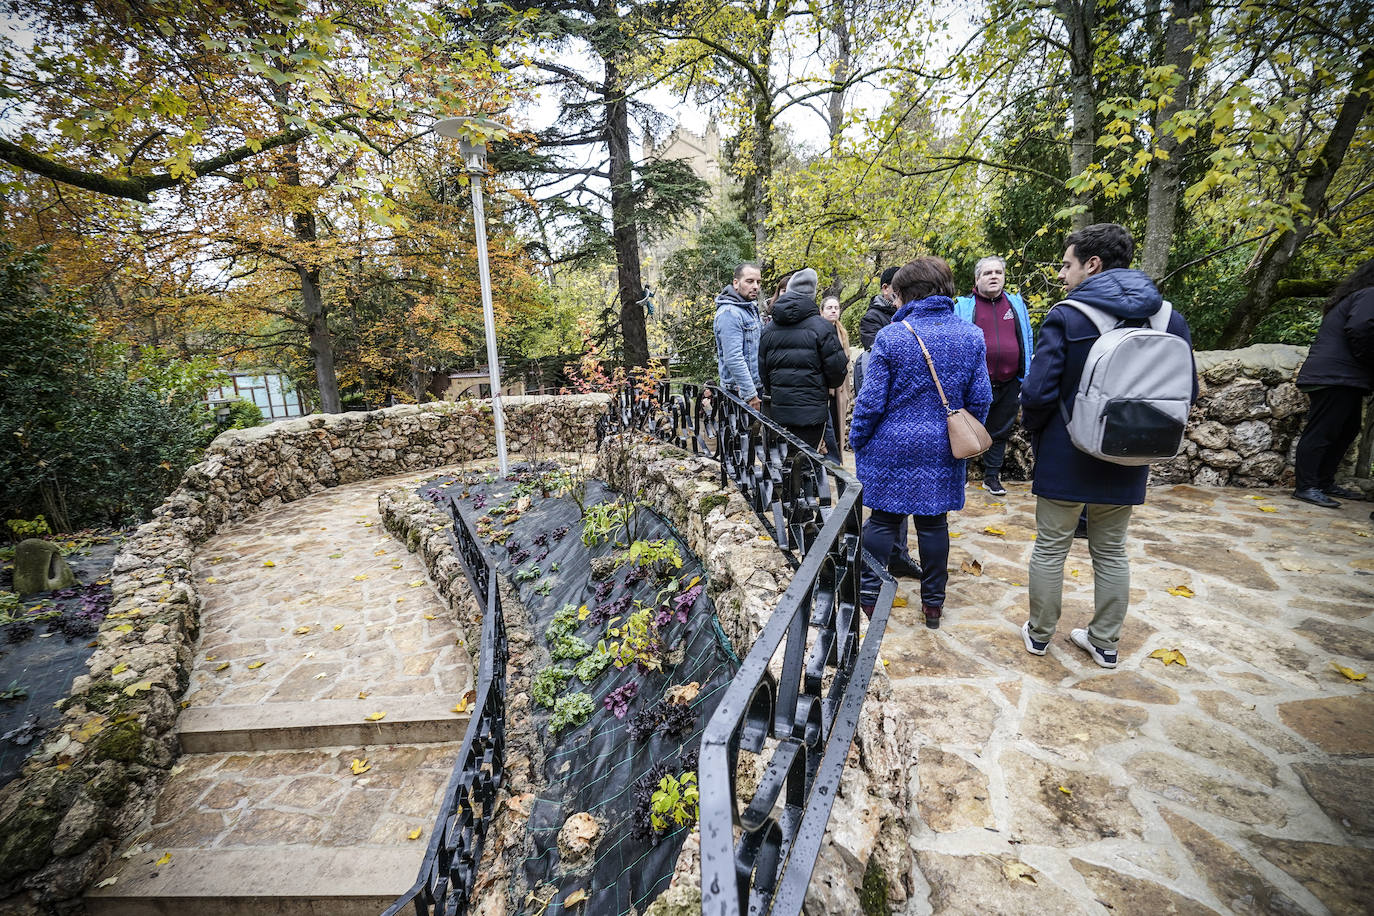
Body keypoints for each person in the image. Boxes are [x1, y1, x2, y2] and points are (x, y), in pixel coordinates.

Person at [1020, 223, 1197, 669]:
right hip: (1130, 449)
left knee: (1050, 546)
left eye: (1067, 264)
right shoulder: (1168, 319)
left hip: (1067, 449)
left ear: (1092, 264)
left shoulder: (1068, 316)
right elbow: (1187, 391)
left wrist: (1038, 434)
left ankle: (1040, 635)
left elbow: (1038, 393)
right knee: (1112, 550)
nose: (1062, 275)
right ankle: (1104, 641)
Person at [850, 257, 992, 629]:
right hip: (942, 447)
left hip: (891, 446)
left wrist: (858, 438)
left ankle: (867, 600)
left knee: (881, 522)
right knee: (933, 526)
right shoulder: (970, 335)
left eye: (897, 295)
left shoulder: (892, 336)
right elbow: (981, 399)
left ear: (908, 295)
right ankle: (933, 606)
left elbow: (870, 401)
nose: (894, 302)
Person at [854, 265, 922, 579]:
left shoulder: (912, 319)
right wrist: (859, 436)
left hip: (908, 425)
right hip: (885, 424)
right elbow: (874, 378)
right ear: (886, 289)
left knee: (902, 501)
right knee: (883, 509)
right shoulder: (873, 321)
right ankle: (867, 569)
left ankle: (898, 556)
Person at [1290, 258, 1374, 508]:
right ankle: (1306, 486)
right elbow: (1362, 328)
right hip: (1335, 376)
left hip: (1341, 376)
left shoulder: (1358, 295)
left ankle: (1324, 481)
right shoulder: (1370, 294)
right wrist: (1370, 359)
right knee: (1323, 431)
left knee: (1346, 430)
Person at [954, 256, 1034, 495]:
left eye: (998, 272)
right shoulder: (963, 306)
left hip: (1010, 381)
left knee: (1000, 431)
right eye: (987, 273)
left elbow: (1027, 338)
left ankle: (992, 477)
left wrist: (1026, 374)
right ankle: (961, 475)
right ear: (977, 279)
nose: (994, 276)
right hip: (975, 383)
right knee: (966, 427)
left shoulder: (1016, 304)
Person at [757, 269, 850, 448]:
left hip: (780, 411)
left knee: (784, 463)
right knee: (807, 462)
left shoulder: (768, 330)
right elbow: (837, 373)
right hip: (812, 413)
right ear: (812, 295)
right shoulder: (823, 328)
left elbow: (764, 374)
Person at [713, 263, 764, 410]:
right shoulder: (730, 313)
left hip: (755, 388)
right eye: (750, 281)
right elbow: (733, 358)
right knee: (741, 432)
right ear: (736, 283)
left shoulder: (749, 308)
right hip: (740, 392)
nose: (755, 286)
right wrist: (750, 395)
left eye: (758, 282)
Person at [820, 295, 852, 459]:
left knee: (838, 425)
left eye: (836, 308)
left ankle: (836, 460)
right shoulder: (819, 330)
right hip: (826, 388)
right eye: (829, 308)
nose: (833, 311)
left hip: (840, 388)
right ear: (822, 311)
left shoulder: (842, 333)